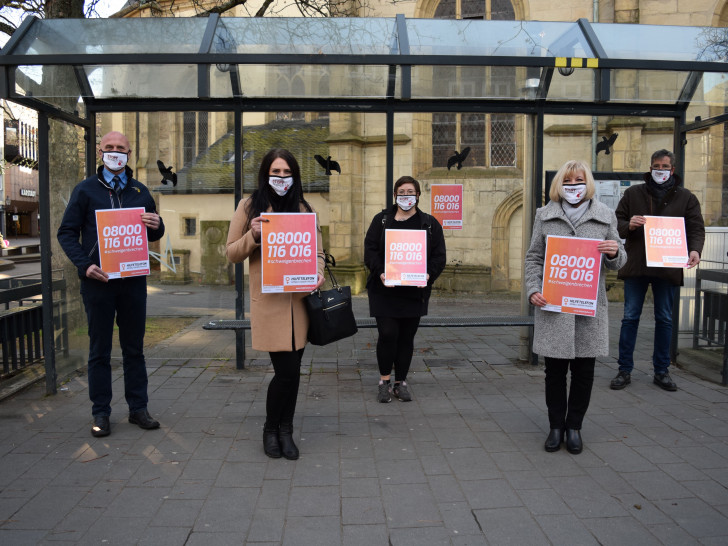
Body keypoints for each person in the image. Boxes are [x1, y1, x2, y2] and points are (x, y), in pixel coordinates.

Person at [57, 131, 165, 438]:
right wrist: (85, 265)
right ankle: (101, 413)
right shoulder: (86, 190)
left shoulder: (140, 191)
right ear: (100, 152)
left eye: (121, 148)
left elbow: (152, 232)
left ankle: (138, 409)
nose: (115, 152)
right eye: (109, 148)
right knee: (99, 350)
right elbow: (66, 233)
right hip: (98, 282)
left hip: (132, 282)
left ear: (129, 154)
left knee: (134, 348)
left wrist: (159, 225)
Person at [226, 148, 325, 460]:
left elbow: (319, 253)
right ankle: (272, 429)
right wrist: (253, 235)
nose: (281, 178)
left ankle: (286, 429)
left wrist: (318, 273)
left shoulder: (304, 208)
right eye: (275, 172)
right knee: (286, 373)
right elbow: (231, 252)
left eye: (286, 173)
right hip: (269, 304)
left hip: (299, 305)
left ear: (294, 176)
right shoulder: (249, 206)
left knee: (294, 372)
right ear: (265, 174)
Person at [525, 160, 626, 454]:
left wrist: (615, 251)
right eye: (567, 181)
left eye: (578, 180)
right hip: (554, 307)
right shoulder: (545, 215)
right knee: (554, 372)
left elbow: (620, 260)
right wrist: (533, 289)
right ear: (560, 184)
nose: (573, 186)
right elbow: (534, 258)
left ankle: (575, 427)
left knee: (584, 372)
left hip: (588, 307)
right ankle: (556, 426)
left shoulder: (605, 215)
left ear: (588, 183)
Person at [610, 149, 705, 392]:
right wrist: (628, 224)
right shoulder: (633, 193)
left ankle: (661, 371)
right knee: (630, 317)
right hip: (637, 265)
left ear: (672, 170)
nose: (659, 170)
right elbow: (615, 223)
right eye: (656, 166)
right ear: (650, 168)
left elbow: (695, 227)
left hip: (668, 266)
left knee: (664, 318)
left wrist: (695, 250)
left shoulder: (686, 197)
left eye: (664, 166)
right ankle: (624, 369)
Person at [364, 176, 446, 403]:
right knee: (388, 334)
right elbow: (370, 250)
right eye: (401, 192)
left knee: (406, 337)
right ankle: (384, 381)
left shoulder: (429, 223)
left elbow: (439, 256)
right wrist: (381, 272)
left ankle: (401, 382)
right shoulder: (381, 220)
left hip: (414, 291)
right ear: (394, 195)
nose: (406, 196)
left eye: (410, 192)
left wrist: (428, 274)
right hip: (384, 290)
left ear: (418, 195)